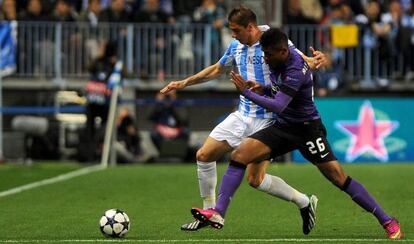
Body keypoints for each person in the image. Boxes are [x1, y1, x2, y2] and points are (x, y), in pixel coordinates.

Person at [191, 28, 402, 240]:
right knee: (239, 156)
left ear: (283, 51)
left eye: (268, 54)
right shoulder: (277, 59)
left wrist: (245, 93)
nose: (265, 57)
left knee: (338, 178)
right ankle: (218, 213)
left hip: (307, 129)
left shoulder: (295, 68)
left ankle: (387, 220)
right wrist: (261, 88)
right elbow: (277, 91)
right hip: (284, 127)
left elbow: (279, 105)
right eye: (264, 53)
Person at [160, 6, 327, 233]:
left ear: (250, 27)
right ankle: (210, 213)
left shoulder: (272, 40)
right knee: (204, 155)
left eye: (236, 30)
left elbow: (301, 60)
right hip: (243, 115)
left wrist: (315, 59)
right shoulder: (236, 46)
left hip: (269, 119)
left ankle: (304, 202)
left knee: (255, 180)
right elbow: (217, 69)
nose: (233, 34)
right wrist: (183, 82)